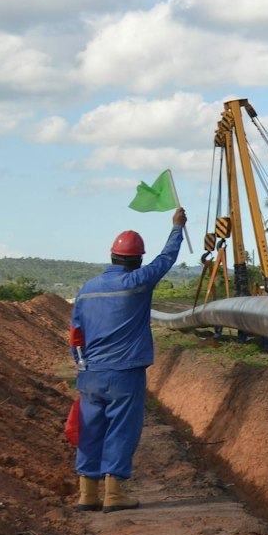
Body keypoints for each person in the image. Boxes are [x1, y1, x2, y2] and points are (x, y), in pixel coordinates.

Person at [70, 209, 186, 512]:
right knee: (121, 429)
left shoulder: (86, 290)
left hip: (91, 373)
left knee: (90, 429)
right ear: (136, 260)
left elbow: (76, 335)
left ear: (112, 256)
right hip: (125, 373)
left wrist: (82, 367)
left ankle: (87, 494)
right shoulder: (138, 282)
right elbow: (166, 260)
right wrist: (177, 228)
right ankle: (113, 494)